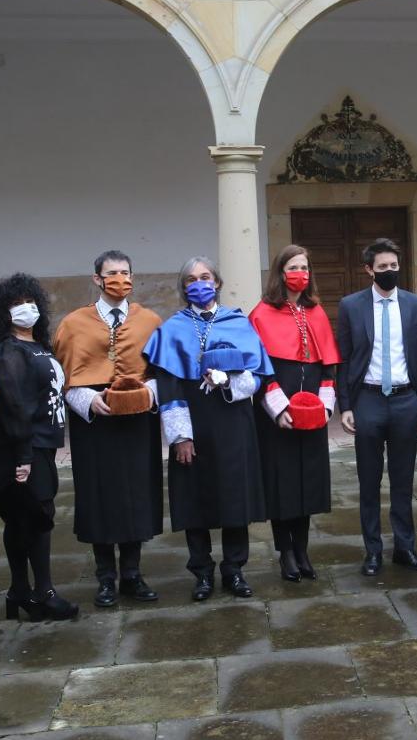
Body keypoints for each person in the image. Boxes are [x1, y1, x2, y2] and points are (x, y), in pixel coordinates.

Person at [144, 257, 273, 599]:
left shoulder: (238, 322)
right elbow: (168, 387)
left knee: (235, 497)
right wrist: (181, 437)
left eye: (205, 277)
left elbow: (257, 376)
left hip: (233, 422)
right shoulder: (171, 329)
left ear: (217, 282)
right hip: (194, 422)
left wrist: (228, 379)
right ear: (184, 287)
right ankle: (201, 572)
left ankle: (234, 570)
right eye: (191, 279)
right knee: (194, 500)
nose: (199, 283)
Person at [54, 250, 164, 607]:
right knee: (101, 497)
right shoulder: (73, 323)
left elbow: (162, 372)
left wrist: (148, 393)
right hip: (96, 424)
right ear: (97, 279)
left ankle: (132, 573)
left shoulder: (149, 320)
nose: (120, 278)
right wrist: (87, 400)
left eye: (126, 272)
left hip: (136, 419)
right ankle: (105, 577)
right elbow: (65, 379)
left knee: (135, 495)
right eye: (112, 272)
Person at [0, 273, 78, 621]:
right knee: (35, 518)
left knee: (31, 518)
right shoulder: (8, 350)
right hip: (21, 447)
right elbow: (15, 405)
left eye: (30, 302)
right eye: (17, 304)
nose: (26, 309)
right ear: (3, 313)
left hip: (42, 444)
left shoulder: (39, 344)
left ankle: (20, 591)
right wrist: (23, 456)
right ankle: (42, 592)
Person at [335, 239, 417, 576]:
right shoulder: (350, 306)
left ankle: (405, 547)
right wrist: (345, 404)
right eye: (383, 267)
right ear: (369, 270)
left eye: (394, 266)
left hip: (406, 400)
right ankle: (372, 551)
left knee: (403, 480)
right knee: (369, 480)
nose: (390, 272)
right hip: (369, 399)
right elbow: (344, 358)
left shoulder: (416, 304)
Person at [249, 244, 340, 582]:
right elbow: (261, 370)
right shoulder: (261, 313)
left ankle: (302, 549)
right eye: (293, 267)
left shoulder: (315, 311)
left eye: (304, 267)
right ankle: (285, 552)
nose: (300, 273)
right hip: (279, 413)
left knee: (308, 481)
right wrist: (278, 408)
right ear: (280, 272)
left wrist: (326, 404)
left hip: (312, 410)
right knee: (282, 482)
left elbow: (328, 366)